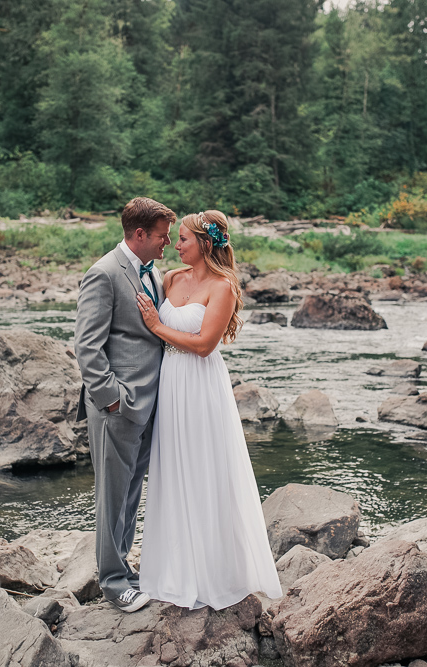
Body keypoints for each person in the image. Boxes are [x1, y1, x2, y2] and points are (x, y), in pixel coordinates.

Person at [136, 210, 282, 610]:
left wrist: (155, 324)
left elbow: (203, 345)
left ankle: (216, 573)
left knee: (205, 470)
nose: (175, 244)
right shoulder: (170, 280)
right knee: (172, 469)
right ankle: (174, 569)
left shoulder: (223, 287)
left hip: (201, 385)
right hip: (170, 383)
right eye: (176, 238)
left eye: (182, 239)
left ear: (204, 243)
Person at [74, 197, 176, 613]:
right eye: (162, 236)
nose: (166, 243)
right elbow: (87, 347)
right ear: (139, 235)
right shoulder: (103, 274)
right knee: (113, 497)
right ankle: (113, 583)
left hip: (147, 405)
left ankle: (125, 570)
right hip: (119, 407)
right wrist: (112, 400)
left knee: (132, 494)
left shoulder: (149, 273)